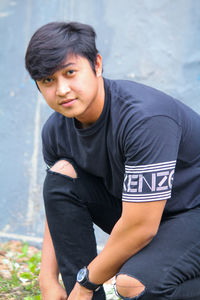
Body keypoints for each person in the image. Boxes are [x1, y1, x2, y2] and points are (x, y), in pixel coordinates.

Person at [25, 21, 200, 300]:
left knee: (134, 286)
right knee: (60, 176)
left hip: (191, 213)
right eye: (48, 80)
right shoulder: (56, 131)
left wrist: (85, 284)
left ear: (97, 64)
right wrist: (48, 280)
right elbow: (58, 204)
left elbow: (141, 227)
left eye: (70, 73)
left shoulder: (145, 119)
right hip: (143, 213)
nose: (62, 89)